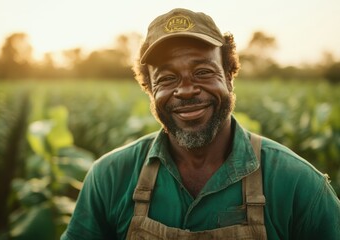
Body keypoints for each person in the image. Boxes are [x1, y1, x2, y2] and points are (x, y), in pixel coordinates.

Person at [61, 8, 340, 240]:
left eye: (202, 72)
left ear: (230, 77)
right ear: (149, 89)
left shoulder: (298, 184)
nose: (185, 90)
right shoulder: (110, 177)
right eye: (167, 79)